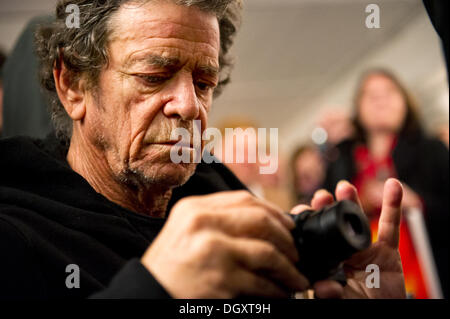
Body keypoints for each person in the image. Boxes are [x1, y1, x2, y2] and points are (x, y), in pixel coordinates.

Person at [0, 0, 406, 299]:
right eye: (154, 76)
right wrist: (155, 288)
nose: (190, 106)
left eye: (203, 83)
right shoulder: (17, 237)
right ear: (72, 85)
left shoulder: (226, 199)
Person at [324, 69, 449, 298]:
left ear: (405, 101)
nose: (381, 101)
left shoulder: (432, 150)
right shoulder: (341, 163)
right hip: (365, 281)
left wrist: (417, 202)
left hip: (431, 273)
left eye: (389, 92)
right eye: (371, 96)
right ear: (358, 110)